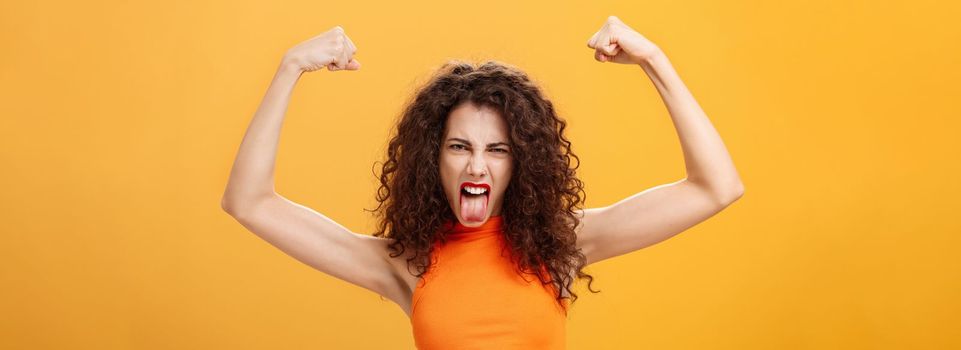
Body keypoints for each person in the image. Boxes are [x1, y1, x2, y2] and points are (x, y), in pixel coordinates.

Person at [221, 15, 744, 349]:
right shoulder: (407, 263)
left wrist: (653, 60)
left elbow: (715, 188)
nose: (477, 167)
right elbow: (250, 202)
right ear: (433, 159)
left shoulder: (561, 246)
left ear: (521, 164)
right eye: (459, 147)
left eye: (497, 150)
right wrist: (290, 67)